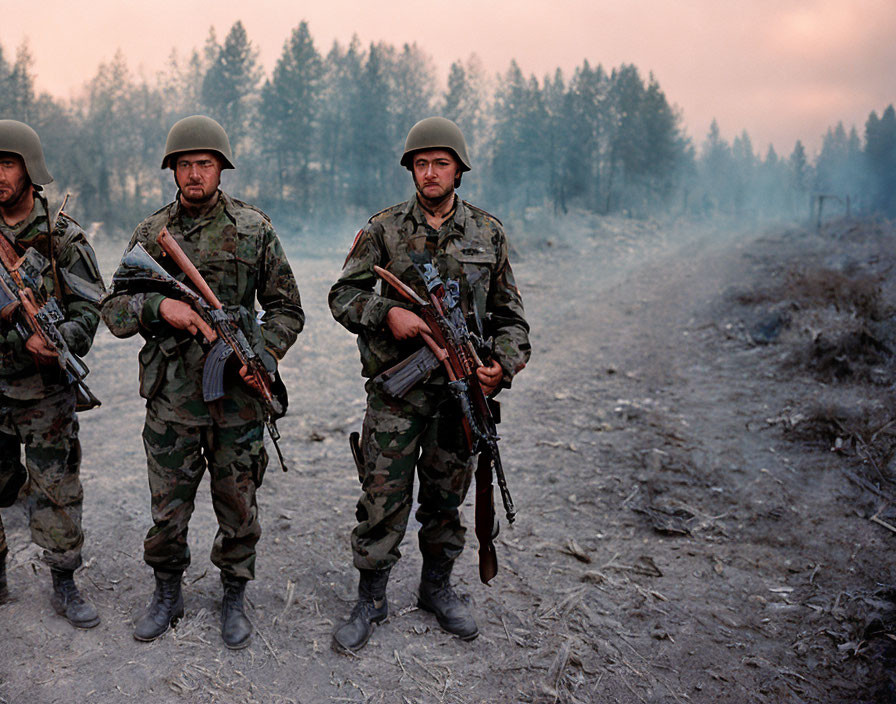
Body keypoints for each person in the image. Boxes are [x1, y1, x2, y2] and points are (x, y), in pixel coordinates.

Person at [101, 115, 304, 649]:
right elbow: (115, 309)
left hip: (237, 403)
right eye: (185, 165)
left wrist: (261, 353)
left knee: (238, 504)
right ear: (173, 170)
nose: (195, 174)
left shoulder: (254, 230)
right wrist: (158, 305)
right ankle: (167, 592)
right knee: (168, 509)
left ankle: (234, 593)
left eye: (204, 164)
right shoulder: (149, 235)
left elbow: (287, 309)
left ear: (221, 169)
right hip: (171, 401)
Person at [328, 116, 530, 652]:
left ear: (459, 171)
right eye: (422, 164)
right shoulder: (383, 230)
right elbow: (342, 297)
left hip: (460, 396)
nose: (431, 173)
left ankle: (436, 589)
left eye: (442, 163)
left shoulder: (489, 233)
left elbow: (512, 320)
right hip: (398, 393)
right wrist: (387, 312)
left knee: (446, 499)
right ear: (411, 170)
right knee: (383, 497)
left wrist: (501, 367)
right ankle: (371, 597)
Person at [0, 119, 105, 628]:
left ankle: (64, 582)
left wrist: (60, 339)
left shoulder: (63, 237)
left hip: (45, 392)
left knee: (57, 488)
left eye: (7, 163)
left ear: (29, 169)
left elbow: (92, 308)